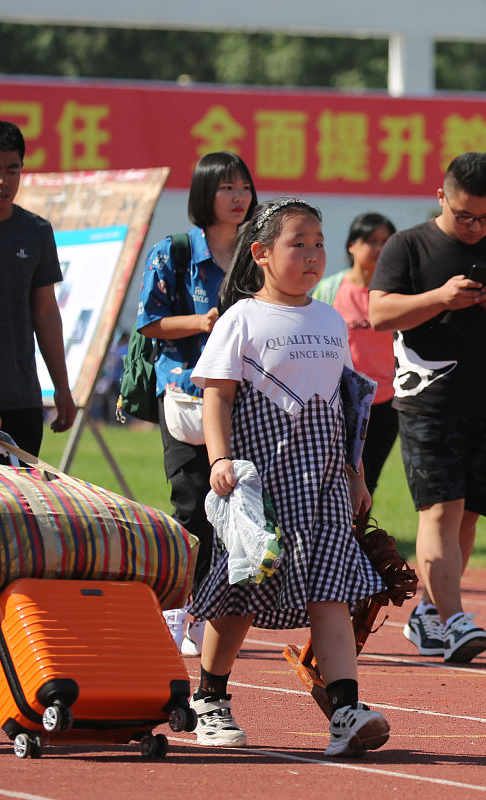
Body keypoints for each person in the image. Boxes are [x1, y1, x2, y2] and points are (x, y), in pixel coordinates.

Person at [186, 197, 390, 757]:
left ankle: (344, 710)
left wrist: (356, 473)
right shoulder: (241, 319)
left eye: (318, 243)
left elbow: (349, 405)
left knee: (331, 592)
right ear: (261, 254)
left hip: (323, 482)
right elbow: (216, 395)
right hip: (261, 488)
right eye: (297, 243)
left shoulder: (327, 317)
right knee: (240, 593)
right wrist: (219, 461)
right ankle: (210, 698)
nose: (312, 254)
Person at [368, 152, 486, 664]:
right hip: (426, 403)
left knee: (467, 519)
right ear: (442, 198)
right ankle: (455, 620)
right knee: (439, 511)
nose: (476, 227)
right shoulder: (408, 246)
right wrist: (441, 296)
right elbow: (378, 312)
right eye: (465, 217)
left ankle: (430, 612)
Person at [136, 152, 257, 656]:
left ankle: (211, 611)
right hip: (186, 393)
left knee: (235, 504)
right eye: (227, 188)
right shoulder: (175, 252)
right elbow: (149, 321)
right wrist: (202, 323)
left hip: (245, 396)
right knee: (191, 505)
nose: (238, 197)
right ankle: (174, 612)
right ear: (204, 195)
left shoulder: (258, 252)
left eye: (244, 188)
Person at [0, 120, 75, 458]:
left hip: (20, 395)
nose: (2, 181)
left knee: (19, 505)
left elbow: (46, 313)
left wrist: (63, 389)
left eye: (13, 170)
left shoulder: (35, 231)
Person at [310, 212, 399, 496]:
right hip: (344, 401)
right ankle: (344, 536)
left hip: (387, 402)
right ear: (352, 245)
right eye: (371, 240)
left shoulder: (396, 291)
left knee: (369, 481)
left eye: (386, 241)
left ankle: (358, 537)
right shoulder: (331, 288)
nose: (379, 248)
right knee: (344, 475)